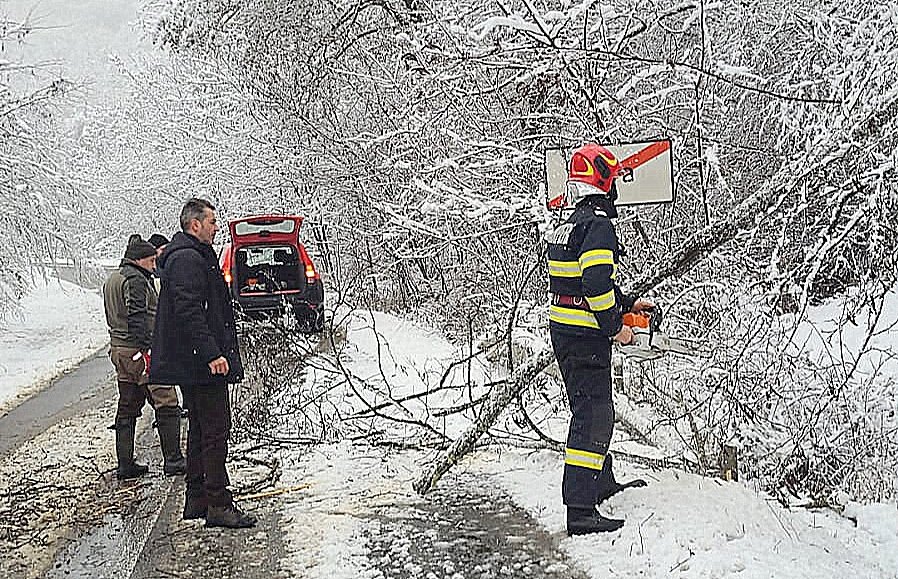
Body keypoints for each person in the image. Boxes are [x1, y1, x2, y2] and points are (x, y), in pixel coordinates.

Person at [546, 143, 652, 535]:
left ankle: (600, 481)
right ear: (605, 183)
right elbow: (593, 283)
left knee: (594, 409)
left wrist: (628, 302)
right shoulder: (600, 226)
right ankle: (580, 510)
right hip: (586, 334)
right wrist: (616, 327)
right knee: (593, 415)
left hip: (565, 328)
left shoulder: (569, 222)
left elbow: (580, 279)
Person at [150, 198, 256, 529]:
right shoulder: (187, 260)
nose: (216, 226)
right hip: (200, 362)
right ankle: (219, 504)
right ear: (194, 225)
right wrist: (212, 353)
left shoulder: (190, 256)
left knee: (199, 429)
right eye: (211, 221)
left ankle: (196, 499)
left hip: (193, 361)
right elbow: (189, 310)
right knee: (214, 430)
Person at [103, 236, 186, 479]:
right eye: (151, 260)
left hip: (120, 351)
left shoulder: (113, 278)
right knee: (167, 401)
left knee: (128, 406)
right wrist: (151, 349)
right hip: (140, 352)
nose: (153, 265)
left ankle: (125, 465)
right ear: (139, 259)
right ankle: (173, 460)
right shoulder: (136, 280)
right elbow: (137, 316)